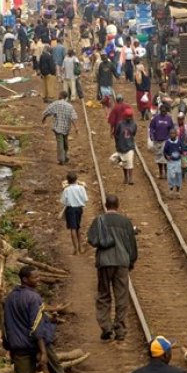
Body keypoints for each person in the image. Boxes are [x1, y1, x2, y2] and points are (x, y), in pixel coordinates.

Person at [2, 266, 73, 373]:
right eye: (35, 277)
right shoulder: (33, 298)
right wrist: (43, 352)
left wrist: (9, 345)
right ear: (25, 279)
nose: (39, 280)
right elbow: (36, 326)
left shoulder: (10, 298)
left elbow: (7, 323)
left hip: (19, 347)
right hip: (37, 344)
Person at [86, 195, 138, 341]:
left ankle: (106, 327)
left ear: (105, 205)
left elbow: (91, 239)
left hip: (104, 262)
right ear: (118, 205)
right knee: (121, 295)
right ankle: (120, 329)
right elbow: (132, 245)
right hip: (122, 262)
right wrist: (131, 261)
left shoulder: (99, 220)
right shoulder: (125, 222)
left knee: (103, 294)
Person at [42, 91, 78, 165]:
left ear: (60, 96)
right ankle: (65, 156)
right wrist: (76, 127)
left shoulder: (56, 104)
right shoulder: (70, 106)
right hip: (66, 128)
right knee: (65, 142)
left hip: (58, 127)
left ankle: (61, 159)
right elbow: (73, 118)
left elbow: (47, 111)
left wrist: (44, 118)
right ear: (66, 97)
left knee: (60, 143)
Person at [60, 172, 88, 255]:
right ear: (76, 179)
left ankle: (75, 249)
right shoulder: (81, 188)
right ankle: (80, 247)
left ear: (68, 181)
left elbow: (63, 201)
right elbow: (85, 199)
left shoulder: (66, 189)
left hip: (70, 209)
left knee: (73, 228)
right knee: (78, 227)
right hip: (79, 209)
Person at [149, 104, 174, 179]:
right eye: (162, 111)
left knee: (165, 157)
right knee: (158, 156)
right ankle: (160, 172)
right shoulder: (155, 118)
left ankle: (166, 173)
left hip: (165, 140)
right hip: (157, 140)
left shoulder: (169, 119)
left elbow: (171, 128)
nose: (163, 112)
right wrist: (151, 135)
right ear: (160, 111)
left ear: (166, 111)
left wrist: (171, 137)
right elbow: (151, 128)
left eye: (165, 111)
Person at [114, 108, 137, 185]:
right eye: (127, 116)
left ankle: (131, 178)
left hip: (130, 146)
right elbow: (116, 135)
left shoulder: (134, 124)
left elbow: (133, 134)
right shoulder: (120, 124)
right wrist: (117, 144)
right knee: (124, 162)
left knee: (130, 162)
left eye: (130, 116)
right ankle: (125, 177)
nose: (129, 118)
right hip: (121, 145)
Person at [163, 127, 183, 197]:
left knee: (178, 175)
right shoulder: (168, 143)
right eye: (171, 133)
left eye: (174, 133)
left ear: (176, 134)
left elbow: (182, 150)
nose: (172, 135)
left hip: (178, 161)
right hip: (171, 162)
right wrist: (166, 156)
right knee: (171, 176)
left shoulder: (179, 142)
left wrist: (182, 154)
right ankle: (171, 190)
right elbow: (164, 151)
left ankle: (177, 191)